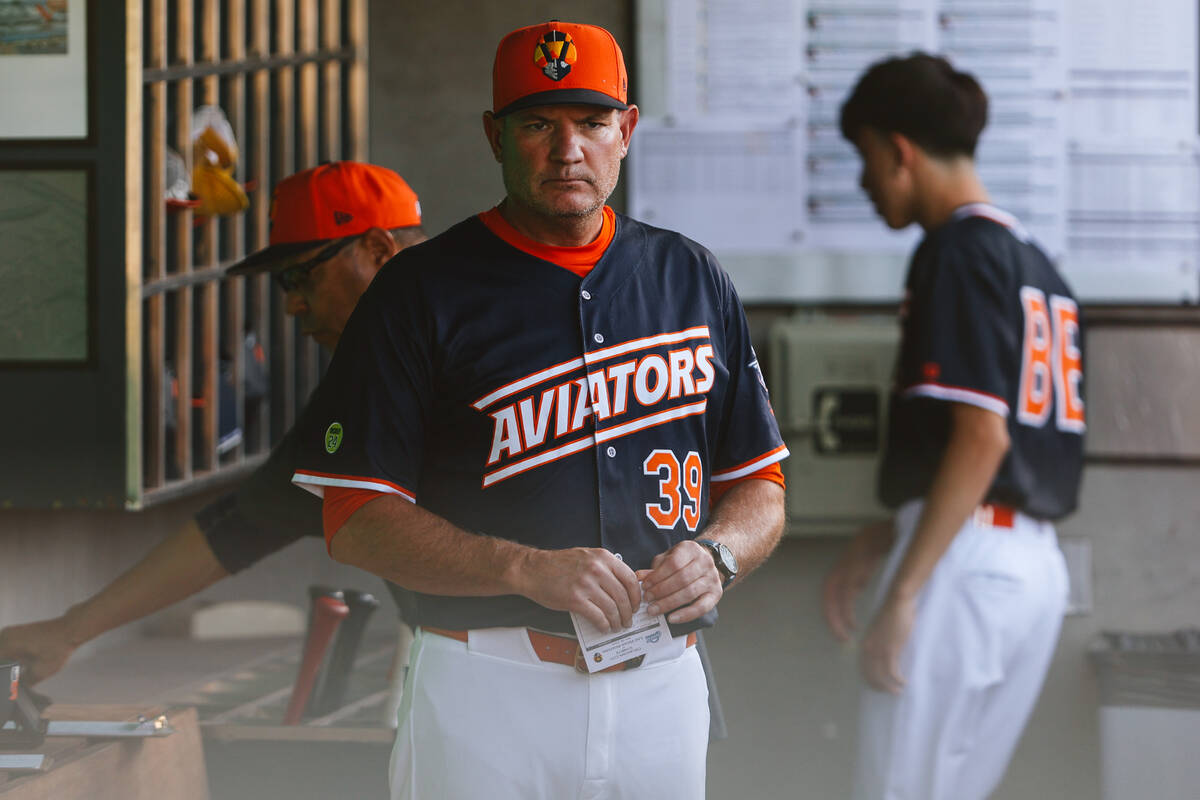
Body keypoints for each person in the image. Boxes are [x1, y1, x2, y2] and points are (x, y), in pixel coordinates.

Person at [288, 20, 788, 800]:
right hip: (488, 683)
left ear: (625, 131)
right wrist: (520, 566)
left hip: (661, 681)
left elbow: (760, 485)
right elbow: (354, 520)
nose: (567, 149)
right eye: (537, 124)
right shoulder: (420, 293)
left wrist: (720, 554)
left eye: (591, 123)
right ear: (495, 136)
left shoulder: (691, 277)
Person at [0, 161, 426, 685]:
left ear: (379, 252)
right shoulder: (358, 390)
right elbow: (238, 527)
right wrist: (66, 632)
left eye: (301, 276)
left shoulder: (495, 340)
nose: (292, 304)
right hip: (454, 662)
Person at [821, 53, 1083, 800]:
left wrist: (905, 590)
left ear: (898, 149)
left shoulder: (958, 250)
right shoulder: (1040, 264)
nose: (865, 181)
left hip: (963, 569)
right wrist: (890, 532)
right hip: (1030, 570)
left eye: (866, 156)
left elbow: (983, 440)